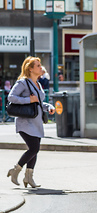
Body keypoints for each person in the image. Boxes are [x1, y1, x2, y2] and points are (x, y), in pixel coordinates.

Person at [6, 57, 55, 188]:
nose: (40, 67)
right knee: (34, 148)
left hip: (36, 121)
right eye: (38, 65)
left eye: (40, 65)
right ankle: (15, 170)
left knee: (34, 150)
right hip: (25, 122)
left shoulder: (38, 83)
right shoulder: (23, 83)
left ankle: (29, 177)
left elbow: (38, 101)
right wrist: (28, 99)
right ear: (30, 69)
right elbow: (11, 97)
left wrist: (48, 107)